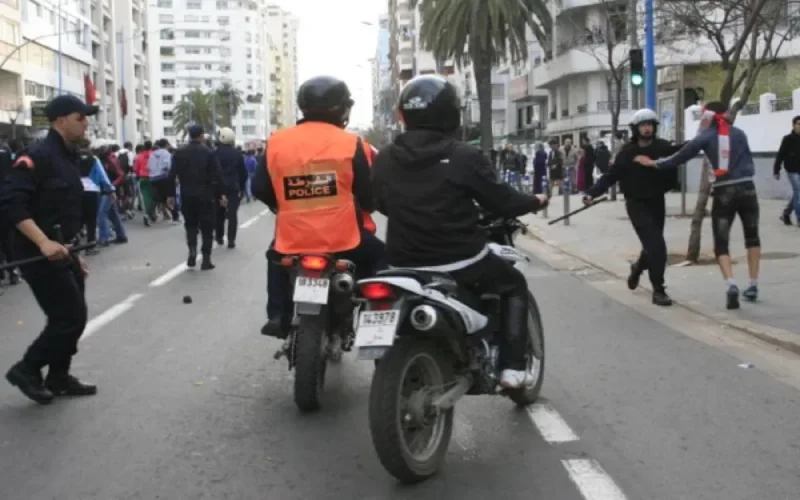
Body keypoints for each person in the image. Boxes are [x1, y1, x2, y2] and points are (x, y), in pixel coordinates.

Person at [372, 75, 548, 389]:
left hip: (401, 263)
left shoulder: (385, 157)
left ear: (404, 115)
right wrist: (534, 201)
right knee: (513, 283)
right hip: (459, 263)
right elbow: (502, 201)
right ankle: (512, 368)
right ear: (451, 113)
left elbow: (380, 203)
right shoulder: (464, 156)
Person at [253, 75, 386, 339]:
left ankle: (278, 316)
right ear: (341, 109)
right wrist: (369, 205)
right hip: (345, 240)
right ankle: (375, 322)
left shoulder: (277, 142)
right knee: (381, 256)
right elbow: (366, 192)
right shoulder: (351, 143)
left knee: (275, 258)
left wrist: (283, 208)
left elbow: (259, 188)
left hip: (293, 239)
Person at [0, 95, 99, 404]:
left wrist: (75, 252)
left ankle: (58, 376)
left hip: (63, 250)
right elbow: (12, 203)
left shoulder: (69, 157)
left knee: (75, 316)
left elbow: (63, 212)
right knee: (67, 317)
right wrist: (43, 242)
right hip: (36, 251)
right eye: (80, 117)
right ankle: (27, 369)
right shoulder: (37, 155)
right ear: (60, 121)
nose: (86, 123)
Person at [635, 101, 761, 310]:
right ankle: (754, 284)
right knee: (752, 237)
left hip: (724, 192)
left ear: (707, 116)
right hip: (748, 188)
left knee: (721, 242)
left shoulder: (705, 137)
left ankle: (731, 284)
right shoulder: (740, 133)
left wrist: (654, 163)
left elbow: (679, 158)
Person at [584, 109, 679, 306]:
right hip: (636, 204)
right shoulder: (627, 152)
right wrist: (592, 193)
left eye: (650, 125)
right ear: (636, 128)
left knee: (652, 246)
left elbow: (683, 151)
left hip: (657, 202)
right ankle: (659, 290)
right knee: (657, 246)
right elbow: (611, 176)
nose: (647, 128)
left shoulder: (663, 147)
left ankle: (637, 268)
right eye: (643, 125)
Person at [166, 125, 224, 270]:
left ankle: (192, 250)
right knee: (207, 228)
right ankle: (206, 259)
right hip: (206, 195)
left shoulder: (179, 153)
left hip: (187, 195)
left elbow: (171, 175)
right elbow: (217, 176)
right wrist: (220, 194)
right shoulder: (209, 153)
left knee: (190, 225)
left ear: (189, 136)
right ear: (201, 136)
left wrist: (171, 194)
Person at [214, 127, 248, 248]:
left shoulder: (215, 153)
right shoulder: (237, 154)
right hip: (233, 187)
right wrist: (242, 188)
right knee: (232, 214)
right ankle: (231, 240)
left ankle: (219, 236)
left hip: (218, 188)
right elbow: (244, 173)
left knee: (219, 213)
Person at [773, 115, 800, 226]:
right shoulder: (788, 139)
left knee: (797, 194)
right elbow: (780, 155)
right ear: (794, 126)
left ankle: (786, 213)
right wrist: (776, 170)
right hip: (792, 169)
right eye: (799, 124)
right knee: (798, 192)